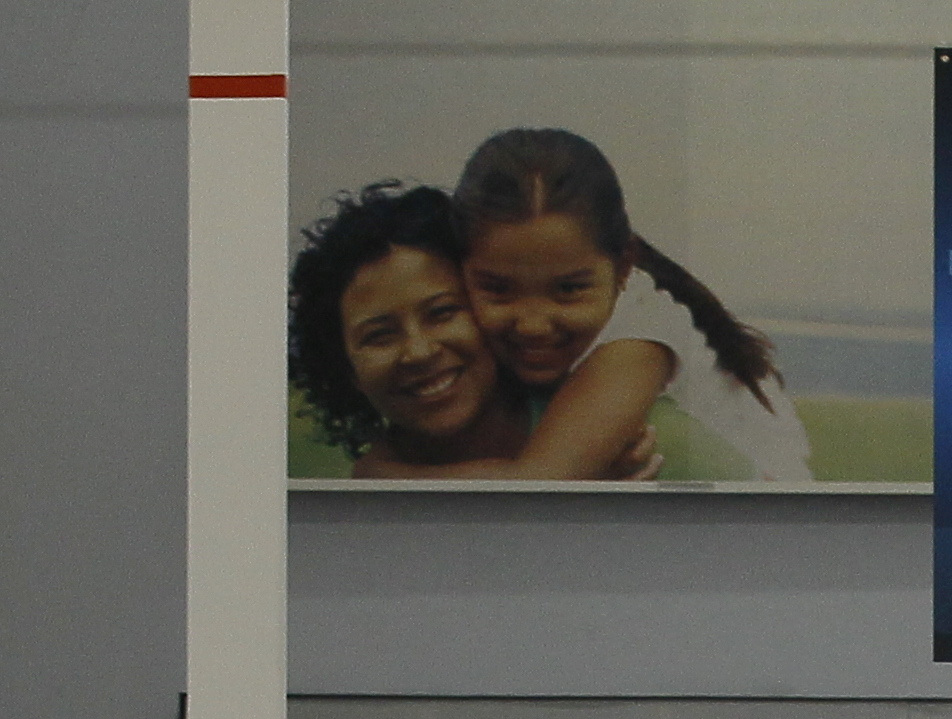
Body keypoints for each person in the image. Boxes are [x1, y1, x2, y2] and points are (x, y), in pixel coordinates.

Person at [440, 126, 818, 484]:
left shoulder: (639, 339)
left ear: (622, 268)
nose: (533, 324)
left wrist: (381, 474)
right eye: (498, 289)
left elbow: (534, 484)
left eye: (569, 289)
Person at [288, 183, 534, 476]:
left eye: (442, 312)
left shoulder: (593, 398)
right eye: (379, 336)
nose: (418, 352)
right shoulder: (356, 506)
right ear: (346, 369)